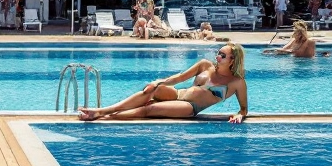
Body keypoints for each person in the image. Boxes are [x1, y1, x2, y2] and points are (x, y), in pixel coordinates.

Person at [79, 43, 248, 123]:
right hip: (179, 94)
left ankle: (103, 115)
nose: (218, 57)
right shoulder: (205, 65)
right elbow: (180, 78)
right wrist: (158, 82)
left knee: (150, 109)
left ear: (233, 61)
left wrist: (240, 114)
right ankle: (102, 111)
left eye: (223, 56)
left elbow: (244, 108)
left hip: (190, 107)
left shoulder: (236, 82)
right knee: (152, 90)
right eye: (218, 53)